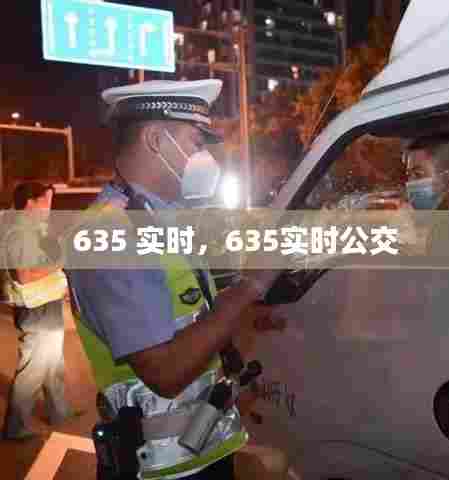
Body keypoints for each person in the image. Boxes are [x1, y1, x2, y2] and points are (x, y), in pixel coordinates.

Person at [65, 80, 278, 480]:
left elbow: (192, 317)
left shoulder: (160, 223)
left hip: (199, 452)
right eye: (196, 143)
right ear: (155, 140)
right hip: (157, 470)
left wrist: (240, 312)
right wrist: (249, 287)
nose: (206, 158)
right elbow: (164, 372)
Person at [2, 182, 74, 441]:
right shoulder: (21, 233)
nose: (49, 208)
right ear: (30, 202)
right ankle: (15, 427)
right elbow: (25, 275)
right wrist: (59, 264)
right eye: (46, 201)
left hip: (44, 304)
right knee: (33, 370)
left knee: (53, 364)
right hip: (37, 309)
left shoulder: (30, 229)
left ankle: (59, 412)